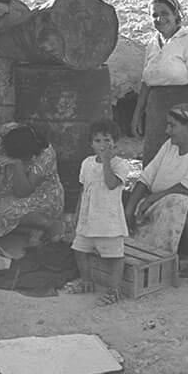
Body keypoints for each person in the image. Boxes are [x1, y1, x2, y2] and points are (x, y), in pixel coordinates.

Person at [125, 104, 188, 271]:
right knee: (117, 196)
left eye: (172, 125)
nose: (167, 130)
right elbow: (145, 178)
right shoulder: (169, 146)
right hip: (160, 207)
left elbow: (186, 189)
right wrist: (129, 210)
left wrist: (151, 199)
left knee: (176, 202)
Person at [131, 0, 188, 165]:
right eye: (154, 15)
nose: (160, 18)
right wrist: (138, 113)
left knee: (183, 157)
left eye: (164, 13)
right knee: (155, 156)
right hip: (157, 109)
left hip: (184, 106)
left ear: (176, 14)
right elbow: (146, 81)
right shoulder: (153, 44)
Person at [64, 119, 131, 305]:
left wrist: (107, 162)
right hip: (88, 219)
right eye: (98, 141)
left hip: (109, 222)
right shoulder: (86, 163)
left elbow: (110, 184)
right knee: (79, 250)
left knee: (115, 257)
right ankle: (86, 281)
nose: (102, 145)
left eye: (106, 140)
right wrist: (77, 214)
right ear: (91, 144)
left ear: (114, 143)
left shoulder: (120, 165)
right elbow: (83, 190)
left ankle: (114, 290)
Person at [0, 122, 65, 242]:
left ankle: (49, 224)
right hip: (7, 185)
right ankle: (29, 231)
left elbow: (23, 192)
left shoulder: (45, 155)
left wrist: (17, 164)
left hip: (41, 195)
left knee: (3, 211)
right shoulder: (7, 131)